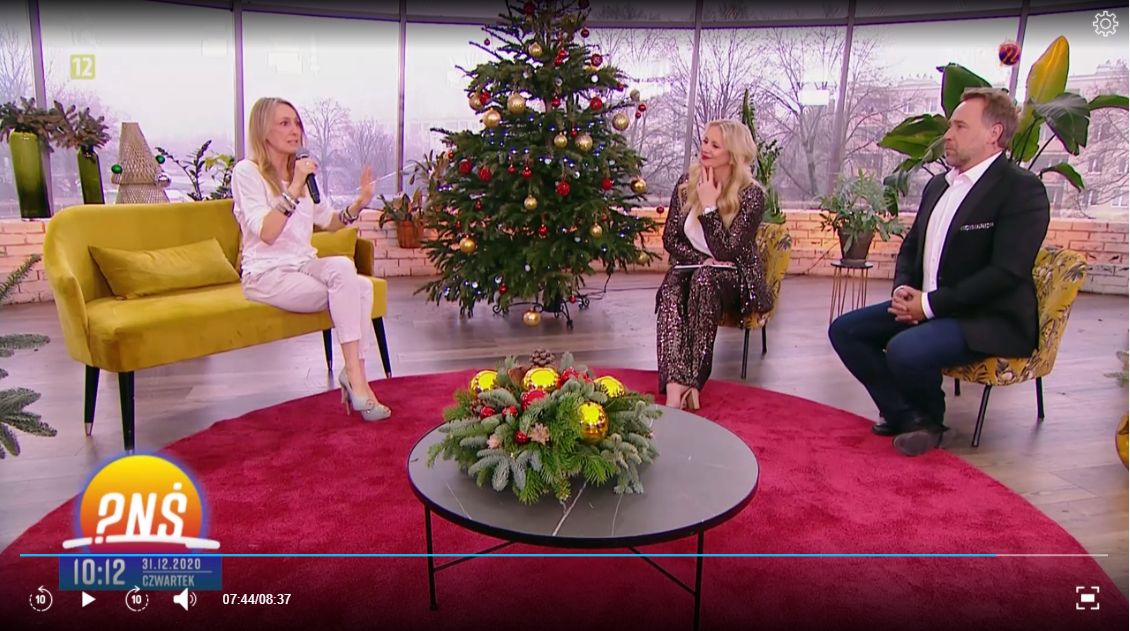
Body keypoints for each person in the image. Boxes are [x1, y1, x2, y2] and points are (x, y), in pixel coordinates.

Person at [828, 87, 1050, 456]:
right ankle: (907, 415)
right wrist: (903, 290)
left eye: (960, 127)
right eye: (950, 126)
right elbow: (912, 245)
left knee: (905, 349)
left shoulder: (1022, 190)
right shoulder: (938, 185)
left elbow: (1005, 273)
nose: (947, 135)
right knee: (845, 331)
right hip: (929, 304)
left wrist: (929, 306)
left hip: (987, 317)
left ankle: (930, 420)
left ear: (994, 133)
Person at [232, 96, 391, 422]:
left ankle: (355, 376)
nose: (295, 130)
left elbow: (329, 221)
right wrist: (294, 186)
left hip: (303, 265)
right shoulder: (247, 172)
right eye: (284, 123)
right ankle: (358, 379)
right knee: (358, 290)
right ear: (263, 131)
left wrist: (359, 203)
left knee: (346, 270)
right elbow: (267, 232)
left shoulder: (302, 177)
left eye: (297, 123)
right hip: (267, 274)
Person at [656, 119, 773, 410]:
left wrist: (709, 207)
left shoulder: (751, 195)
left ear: (732, 155)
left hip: (734, 277)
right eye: (705, 141)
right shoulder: (686, 184)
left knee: (705, 279)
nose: (705, 148)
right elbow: (670, 238)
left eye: (715, 145)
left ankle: (694, 381)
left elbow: (727, 251)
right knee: (671, 288)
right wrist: (700, 260)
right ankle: (674, 386)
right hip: (693, 267)